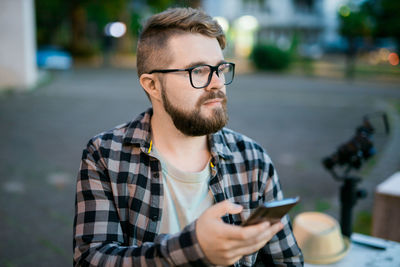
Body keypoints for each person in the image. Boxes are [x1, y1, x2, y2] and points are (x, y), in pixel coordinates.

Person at [73, 7, 303, 267]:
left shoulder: (252, 159)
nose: (217, 83)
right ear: (152, 85)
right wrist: (192, 248)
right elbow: (90, 260)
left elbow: (286, 261)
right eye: (199, 71)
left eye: (221, 68)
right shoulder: (105, 155)